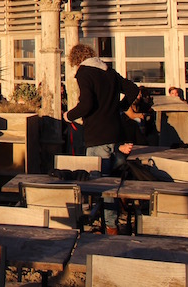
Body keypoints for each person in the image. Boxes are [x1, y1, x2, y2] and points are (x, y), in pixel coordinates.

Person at [64, 43, 138, 234]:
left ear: (76, 60)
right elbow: (133, 90)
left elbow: (87, 103)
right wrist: (119, 108)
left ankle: (110, 229)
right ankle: (109, 223)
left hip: (97, 134)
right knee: (111, 183)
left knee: (100, 186)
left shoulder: (84, 73)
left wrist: (69, 115)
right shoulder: (109, 71)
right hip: (115, 133)